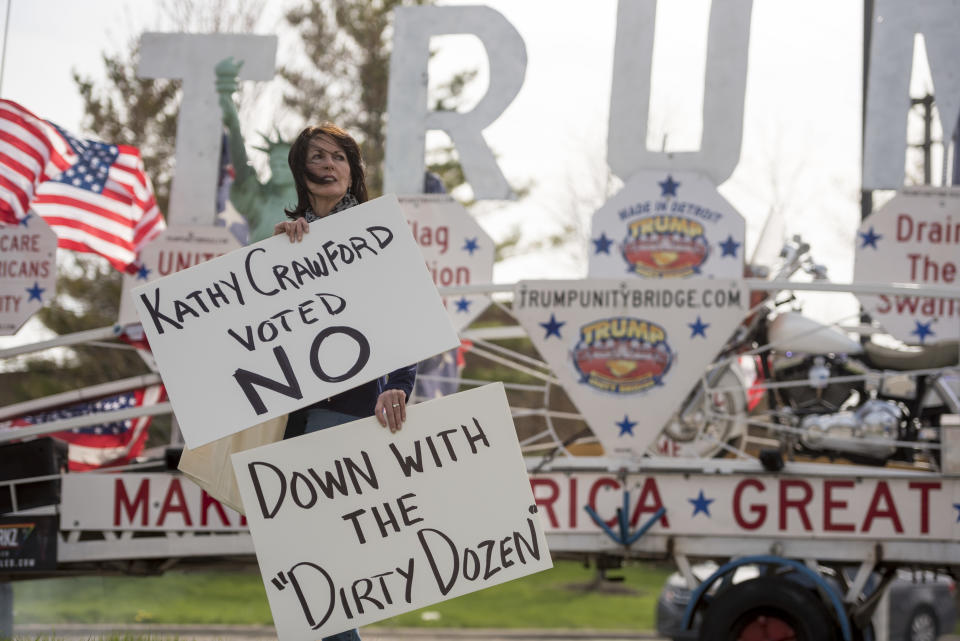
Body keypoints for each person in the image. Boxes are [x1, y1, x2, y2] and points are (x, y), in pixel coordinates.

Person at [275, 123, 415, 641]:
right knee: (303, 561)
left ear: (354, 171)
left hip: (347, 410)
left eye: (340, 156)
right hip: (295, 417)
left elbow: (405, 314)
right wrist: (274, 266)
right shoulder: (288, 243)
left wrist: (397, 383)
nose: (329, 165)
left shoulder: (377, 233)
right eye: (318, 156)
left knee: (316, 558)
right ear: (301, 170)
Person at [216, 57, 298, 243]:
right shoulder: (261, 202)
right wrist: (234, 127)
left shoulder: (314, 206)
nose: (277, 169)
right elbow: (242, 170)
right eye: (273, 164)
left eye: (283, 165)